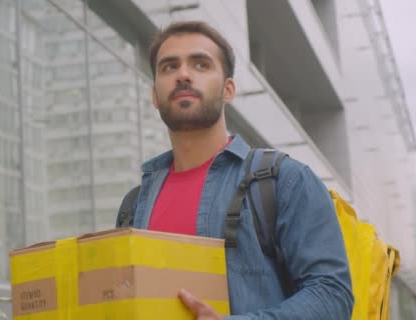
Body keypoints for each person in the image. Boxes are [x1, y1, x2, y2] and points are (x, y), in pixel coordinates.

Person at [117, 21, 353, 319]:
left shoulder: (284, 181)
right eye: (169, 67)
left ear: (228, 90)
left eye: (201, 64)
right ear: (155, 95)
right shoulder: (134, 206)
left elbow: (333, 295)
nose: (183, 75)